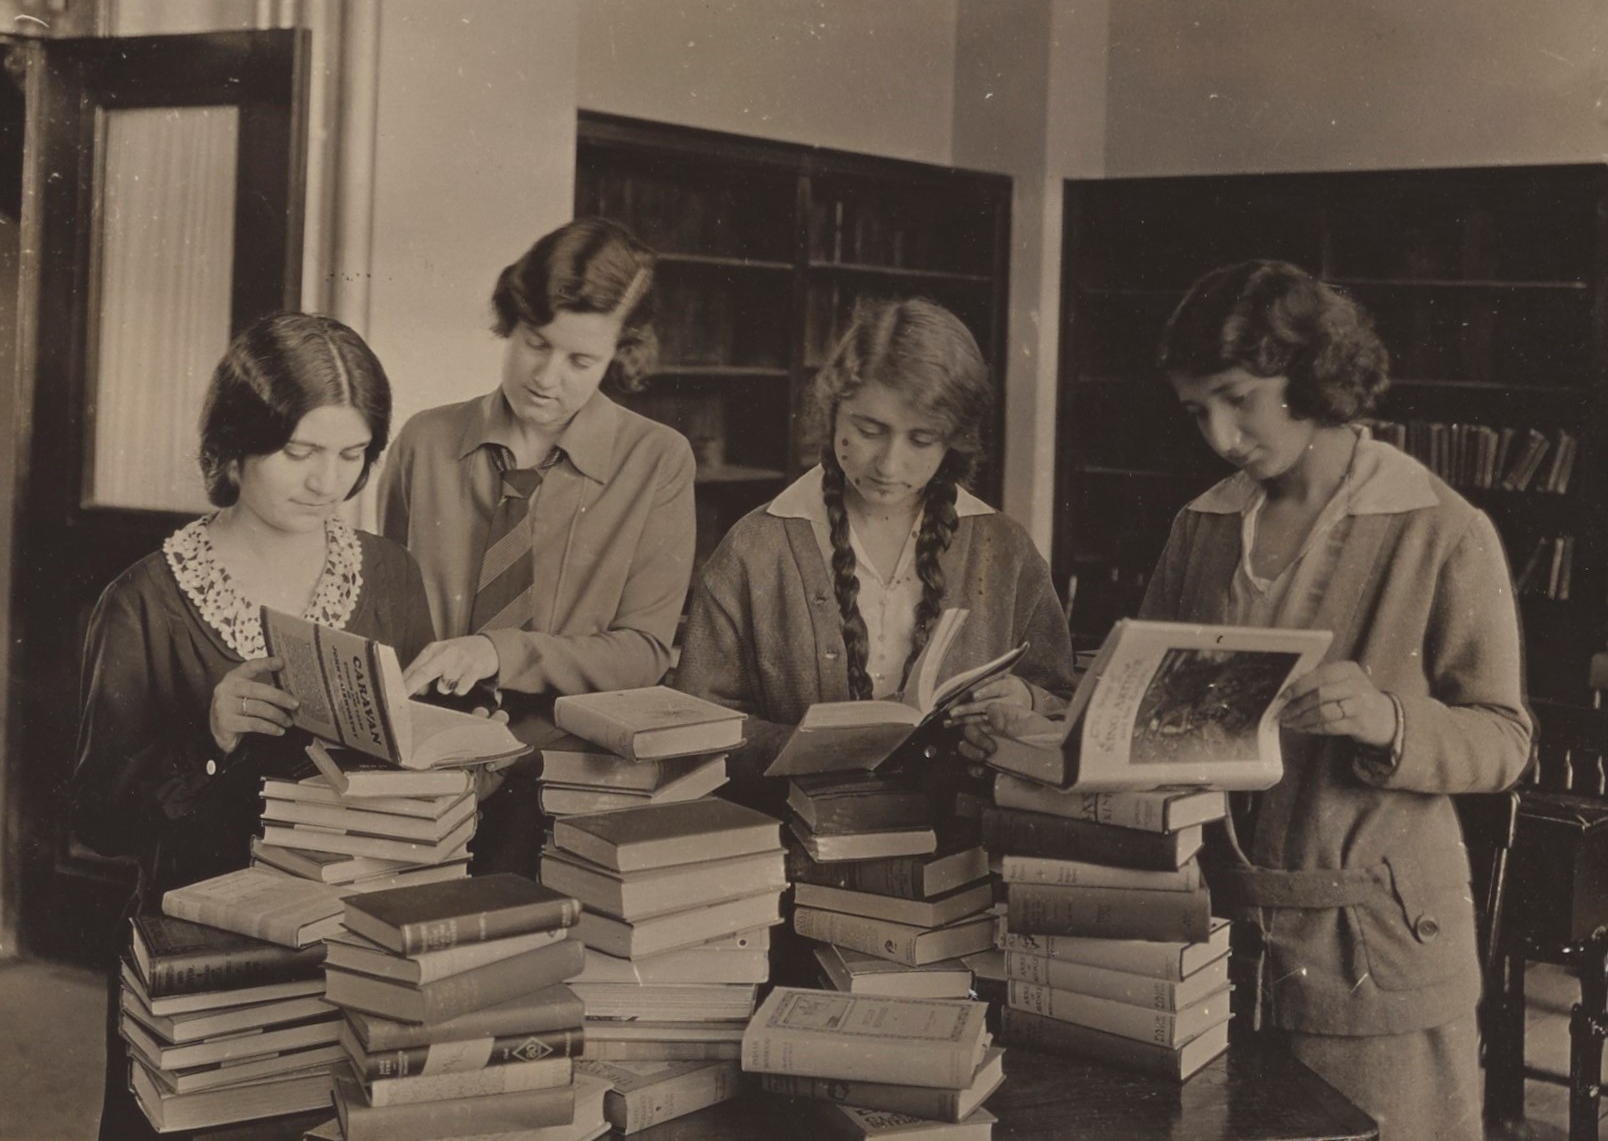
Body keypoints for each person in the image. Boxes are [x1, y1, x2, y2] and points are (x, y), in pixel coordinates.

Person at [964, 260, 1532, 1141]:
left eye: (1240, 399)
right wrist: (1043, 719)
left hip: (1373, 955)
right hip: (1211, 940)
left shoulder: (1440, 528)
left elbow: (1506, 740)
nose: (1223, 436)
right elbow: (1136, 705)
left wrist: (1388, 718)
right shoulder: (1202, 524)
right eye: (1198, 412)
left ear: (1311, 377)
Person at [71, 313, 437, 1140]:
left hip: (357, 945)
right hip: (204, 957)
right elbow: (94, 816)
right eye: (300, 453)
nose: (326, 483)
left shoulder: (389, 575)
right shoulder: (143, 599)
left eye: (352, 455)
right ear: (234, 447)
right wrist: (208, 736)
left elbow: (426, 764)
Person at [378, 217, 696, 872]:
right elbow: (383, 617)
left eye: (581, 361)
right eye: (535, 343)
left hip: (566, 780)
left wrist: (498, 651)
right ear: (511, 324)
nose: (547, 377)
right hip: (424, 767)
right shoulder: (424, 443)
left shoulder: (657, 461)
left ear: (622, 356)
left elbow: (643, 653)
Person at [675, 296, 1077, 804]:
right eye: (869, 431)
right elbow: (693, 730)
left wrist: (1024, 701)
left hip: (959, 850)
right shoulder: (757, 545)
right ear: (833, 411)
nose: (890, 463)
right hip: (797, 846)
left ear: (953, 440)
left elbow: (1064, 702)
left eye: (922, 440)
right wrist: (811, 746)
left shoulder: (1005, 548)